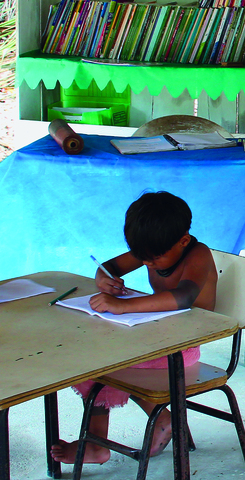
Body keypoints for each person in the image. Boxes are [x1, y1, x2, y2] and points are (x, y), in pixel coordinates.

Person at [49, 191, 217, 465]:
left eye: (153, 259)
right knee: (90, 357)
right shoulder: (155, 246)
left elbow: (184, 297)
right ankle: (161, 418)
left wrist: (123, 306)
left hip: (182, 348)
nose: (147, 263)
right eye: (143, 258)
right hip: (154, 338)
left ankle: (96, 444)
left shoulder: (197, 254)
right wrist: (104, 279)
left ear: (183, 240)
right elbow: (108, 267)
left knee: (100, 366)